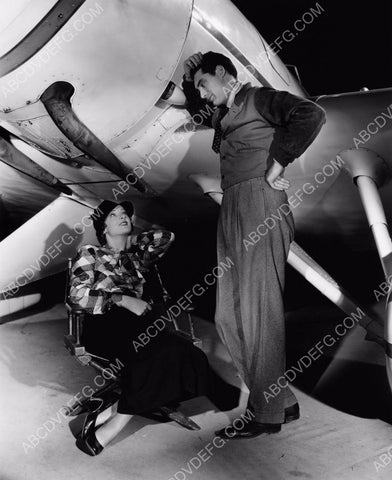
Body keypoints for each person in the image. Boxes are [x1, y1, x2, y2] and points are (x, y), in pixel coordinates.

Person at [182, 51, 326, 439]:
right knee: (229, 315)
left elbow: (311, 115)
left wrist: (278, 164)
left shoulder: (258, 98)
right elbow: (198, 105)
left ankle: (265, 414)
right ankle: (281, 401)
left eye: (203, 83)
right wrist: (188, 78)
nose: (201, 93)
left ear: (223, 73)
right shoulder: (223, 117)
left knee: (260, 310)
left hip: (259, 201)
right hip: (233, 206)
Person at [69, 200, 213, 455]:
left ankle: (113, 411)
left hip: (141, 327)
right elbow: (76, 296)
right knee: (160, 354)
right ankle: (112, 426)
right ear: (102, 228)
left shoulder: (138, 256)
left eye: (125, 214)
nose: (123, 217)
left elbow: (167, 236)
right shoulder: (90, 253)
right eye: (114, 215)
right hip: (105, 325)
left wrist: (132, 239)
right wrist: (121, 298)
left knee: (190, 356)